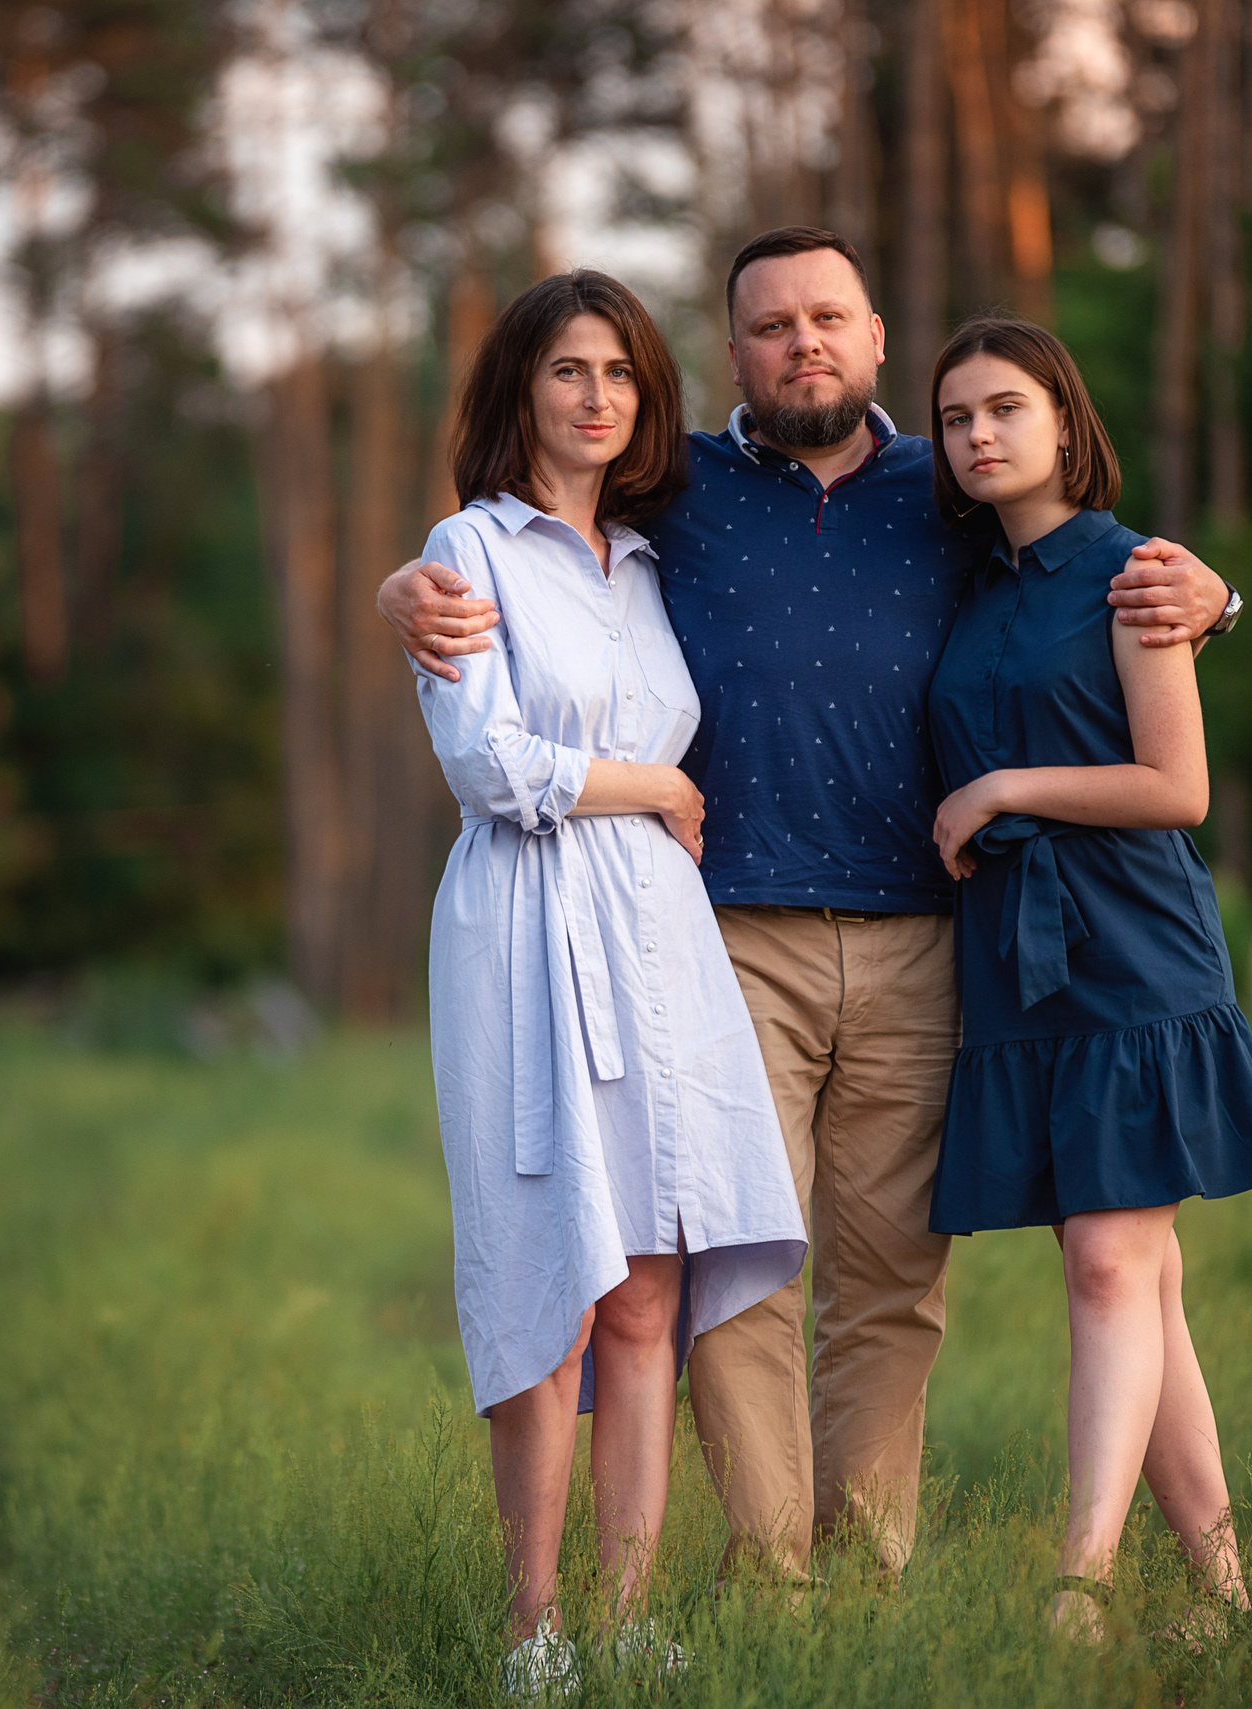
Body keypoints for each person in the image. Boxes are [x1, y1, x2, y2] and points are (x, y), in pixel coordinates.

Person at [381, 228, 1239, 1585]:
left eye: (827, 317)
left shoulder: (945, 484)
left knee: (893, 1281)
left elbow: (1073, 574)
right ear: (736, 352)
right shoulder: (683, 486)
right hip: (723, 940)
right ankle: (776, 1578)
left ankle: (864, 1574)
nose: (803, 344)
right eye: (772, 325)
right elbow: (544, 536)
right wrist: (406, 586)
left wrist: (1216, 596)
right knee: (741, 1270)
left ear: (877, 334)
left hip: (923, 933)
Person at [410, 268, 807, 1693]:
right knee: (552, 1285)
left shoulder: (644, 560)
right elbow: (485, 762)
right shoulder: (470, 549)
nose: (597, 397)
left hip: (658, 931)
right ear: (521, 384)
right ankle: (534, 1629)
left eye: (623, 375)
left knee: (649, 1289)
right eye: (570, 369)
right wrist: (651, 780)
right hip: (524, 928)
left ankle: (628, 1615)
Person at [924, 317, 1252, 1639]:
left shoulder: (1132, 574)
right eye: (957, 416)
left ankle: (1078, 1586)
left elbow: (1175, 785)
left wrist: (1008, 785)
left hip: (1132, 943)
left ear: (1067, 423)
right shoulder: (970, 583)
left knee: (1105, 1257)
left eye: (1005, 408)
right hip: (1018, 962)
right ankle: (1227, 1597)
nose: (978, 435)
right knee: (1140, 1275)